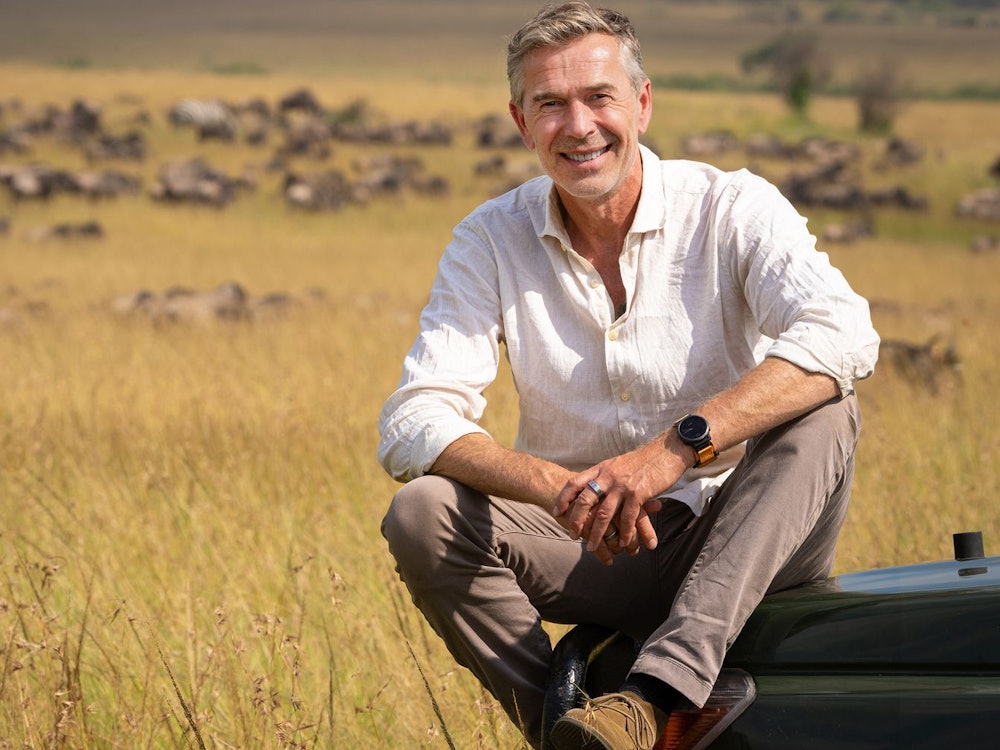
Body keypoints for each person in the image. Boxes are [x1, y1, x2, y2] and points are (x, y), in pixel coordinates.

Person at [377, 2, 879, 748]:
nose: (578, 126)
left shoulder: (730, 206)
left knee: (825, 407)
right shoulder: (490, 238)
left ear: (641, 104)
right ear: (522, 122)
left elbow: (843, 331)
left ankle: (650, 695)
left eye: (598, 97)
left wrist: (671, 452)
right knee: (423, 512)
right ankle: (567, 728)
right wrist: (557, 488)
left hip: (742, 530)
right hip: (591, 541)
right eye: (550, 104)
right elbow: (415, 418)